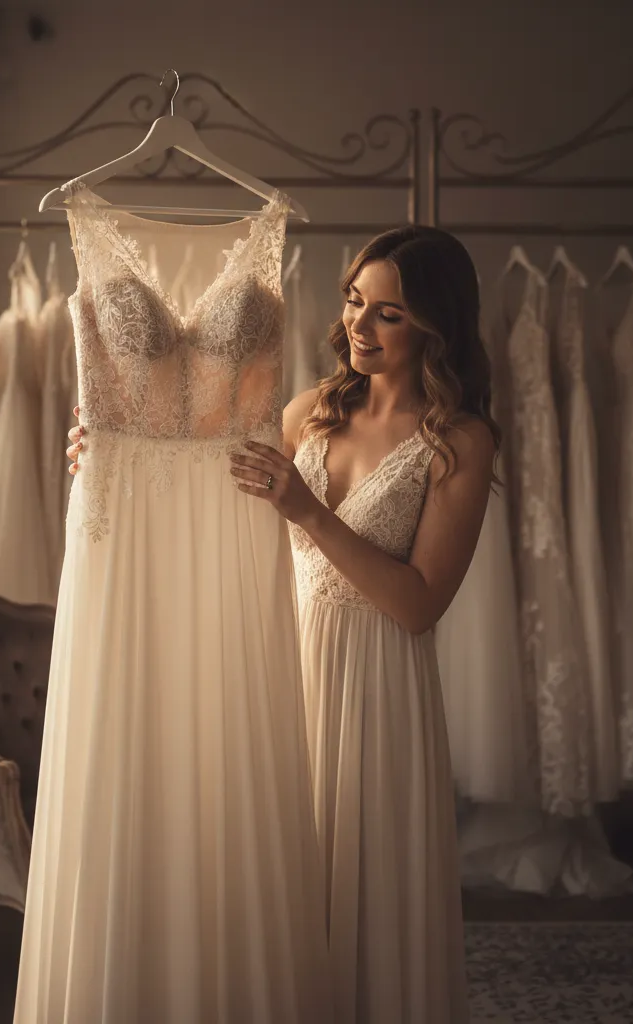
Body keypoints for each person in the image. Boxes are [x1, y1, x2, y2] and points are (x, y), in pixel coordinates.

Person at [68, 226, 497, 1023]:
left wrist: (306, 510)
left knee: (365, 889)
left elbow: (417, 604)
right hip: (286, 665)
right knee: (280, 884)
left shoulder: (458, 443)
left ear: (437, 325)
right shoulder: (308, 413)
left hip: (377, 687)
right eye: (355, 302)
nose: (360, 328)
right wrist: (107, 457)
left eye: (390, 314)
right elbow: (198, 489)